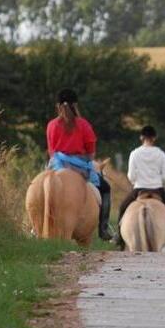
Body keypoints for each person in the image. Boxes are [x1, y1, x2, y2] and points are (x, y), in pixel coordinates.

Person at [46, 89, 114, 241]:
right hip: (80, 168)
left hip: (57, 165)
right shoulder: (84, 125)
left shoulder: (51, 125)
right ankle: (103, 229)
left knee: (41, 183)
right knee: (106, 189)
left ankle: (33, 227)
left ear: (57, 106)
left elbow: (51, 151)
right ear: (75, 105)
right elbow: (91, 154)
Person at [113, 125, 165, 250]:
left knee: (122, 209)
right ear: (154, 138)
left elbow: (131, 175)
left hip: (139, 189)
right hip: (157, 189)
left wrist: (135, 181)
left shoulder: (134, 153)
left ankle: (119, 238)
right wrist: (160, 181)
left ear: (141, 137)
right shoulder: (160, 154)